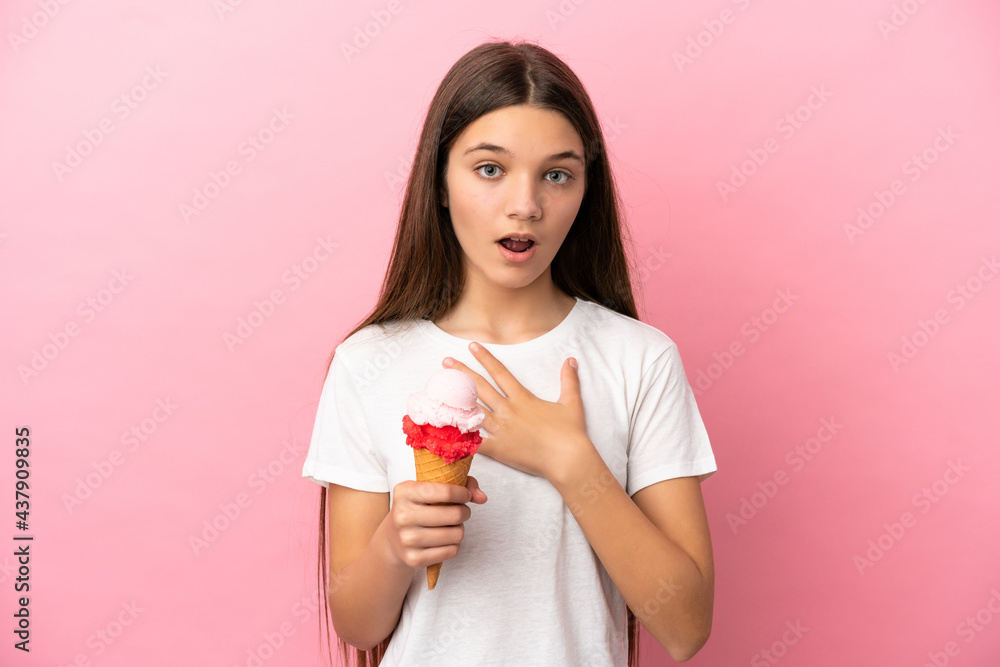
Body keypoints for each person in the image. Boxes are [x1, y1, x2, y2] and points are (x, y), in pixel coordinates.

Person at [302, 39, 717, 667]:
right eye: (490, 168)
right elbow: (359, 627)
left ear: (585, 190)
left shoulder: (640, 359)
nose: (525, 204)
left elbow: (686, 626)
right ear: (439, 183)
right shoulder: (367, 362)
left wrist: (570, 460)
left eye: (557, 173)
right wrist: (395, 544)